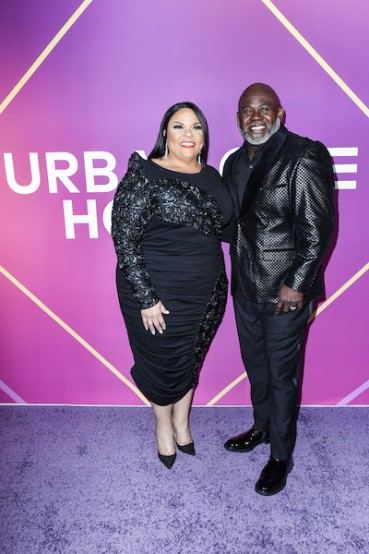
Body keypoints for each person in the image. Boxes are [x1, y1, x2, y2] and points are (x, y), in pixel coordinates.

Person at [222, 83, 335, 495]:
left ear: (279, 114)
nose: (256, 116)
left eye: (264, 108)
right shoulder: (233, 162)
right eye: (248, 110)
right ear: (238, 118)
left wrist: (299, 285)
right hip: (245, 288)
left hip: (286, 293)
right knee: (256, 366)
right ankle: (261, 428)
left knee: (282, 376)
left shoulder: (304, 155)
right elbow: (234, 223)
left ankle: (281, 456)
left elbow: (318, 229)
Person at [112, 102, 233, 469]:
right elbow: (125, 238)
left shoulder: (213, 176)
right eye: (178, 126)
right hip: (154, 294)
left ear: (204, 136)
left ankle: (183, 424)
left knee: (190, 358)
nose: (188, 135)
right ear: (165, 132)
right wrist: (146, 299)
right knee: (161, 364)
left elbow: (229, 228)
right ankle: (163, 427)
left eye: (196, 127)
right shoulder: (145, 173)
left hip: (207, 291)